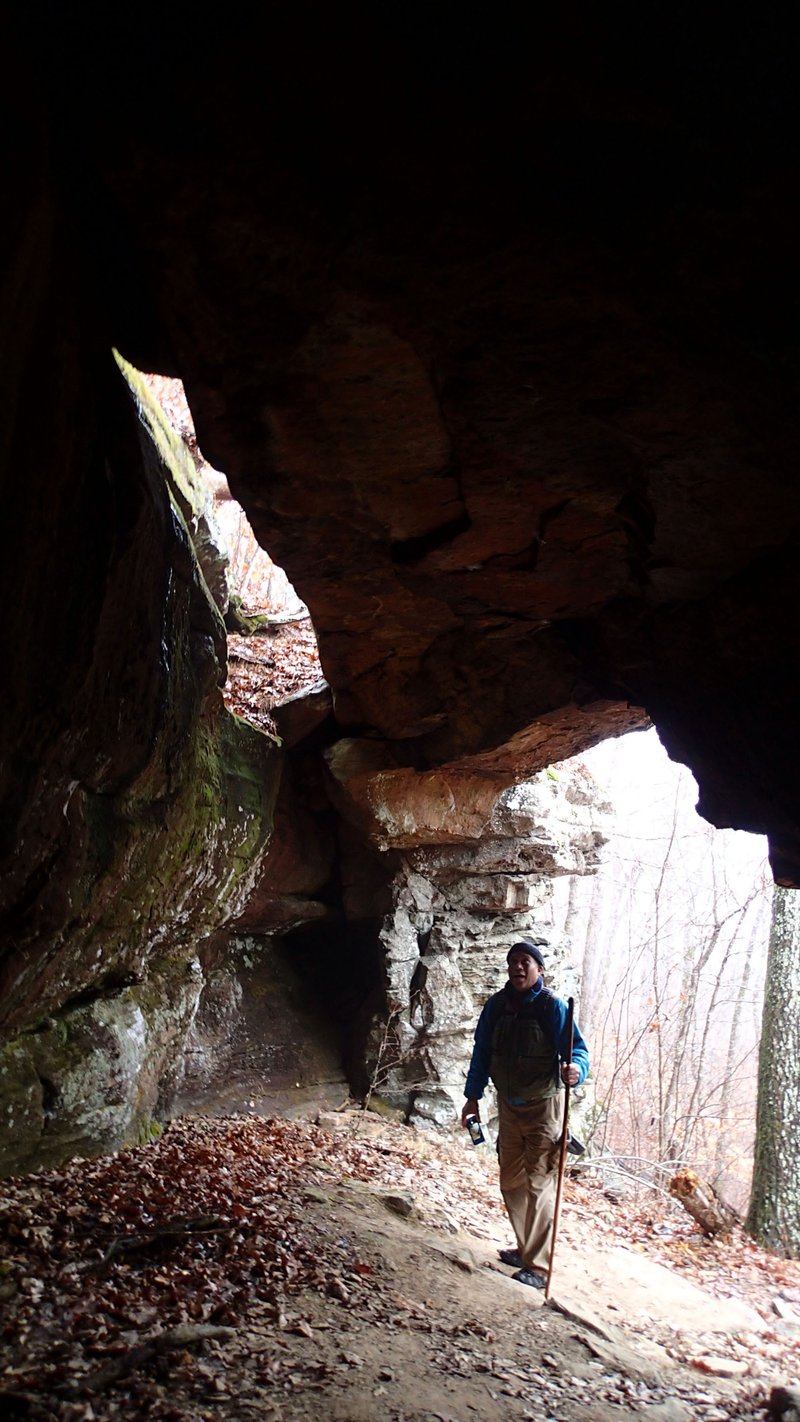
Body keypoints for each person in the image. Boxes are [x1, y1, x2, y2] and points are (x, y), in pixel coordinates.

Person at [461, 936, 590, 1290]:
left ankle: (539, 1265)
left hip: (544, 1109)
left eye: (526, 962)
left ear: (539, 969)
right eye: (513, 961)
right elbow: (481, 1053)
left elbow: (578, 1051)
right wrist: (472, 1098)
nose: (518, 967)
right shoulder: (497, 1006)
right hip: (508, 1108)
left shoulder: (552, 1008)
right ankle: (524, 1246)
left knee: (540, 1182)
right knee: (511, 1181)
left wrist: (576, 1070)